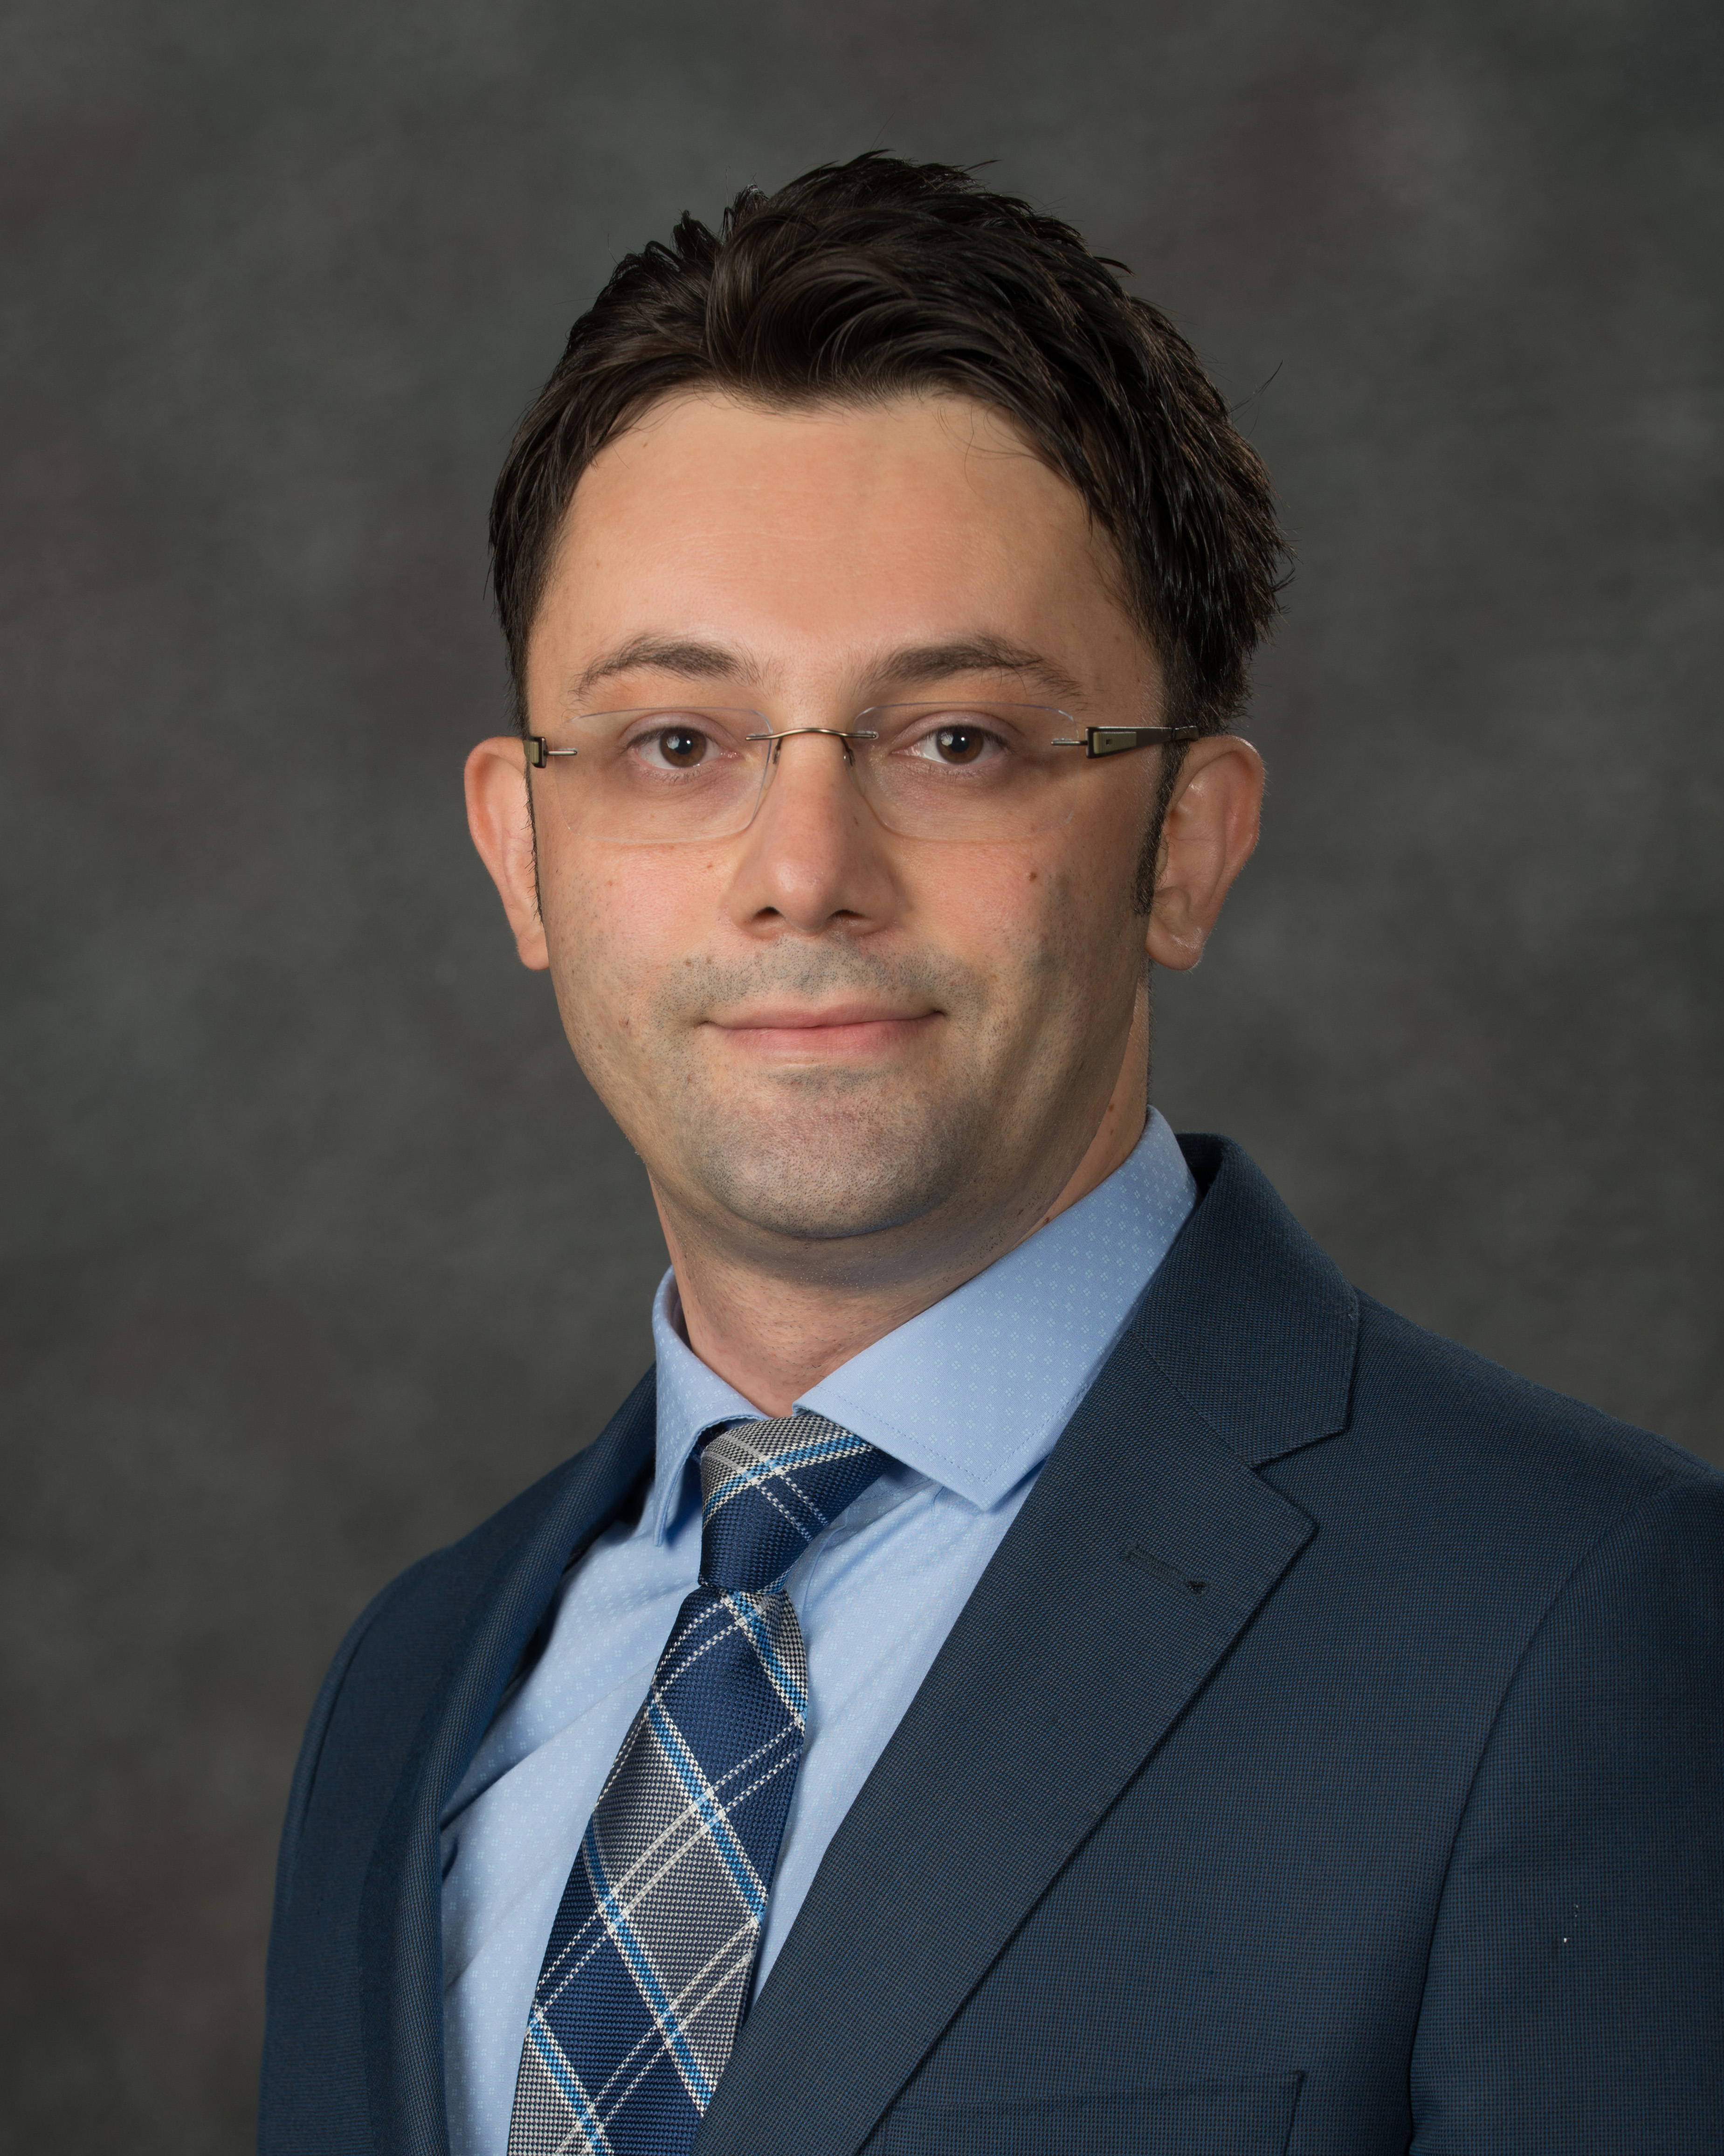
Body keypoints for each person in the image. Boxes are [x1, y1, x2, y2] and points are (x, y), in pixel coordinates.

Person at [259, 154, 1723, 2156]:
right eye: (676, 742)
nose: (801, 877)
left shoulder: (1577, 1626)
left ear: (1184, 845)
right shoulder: (409, 1684)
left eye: (953, 738)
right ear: (525, 850)